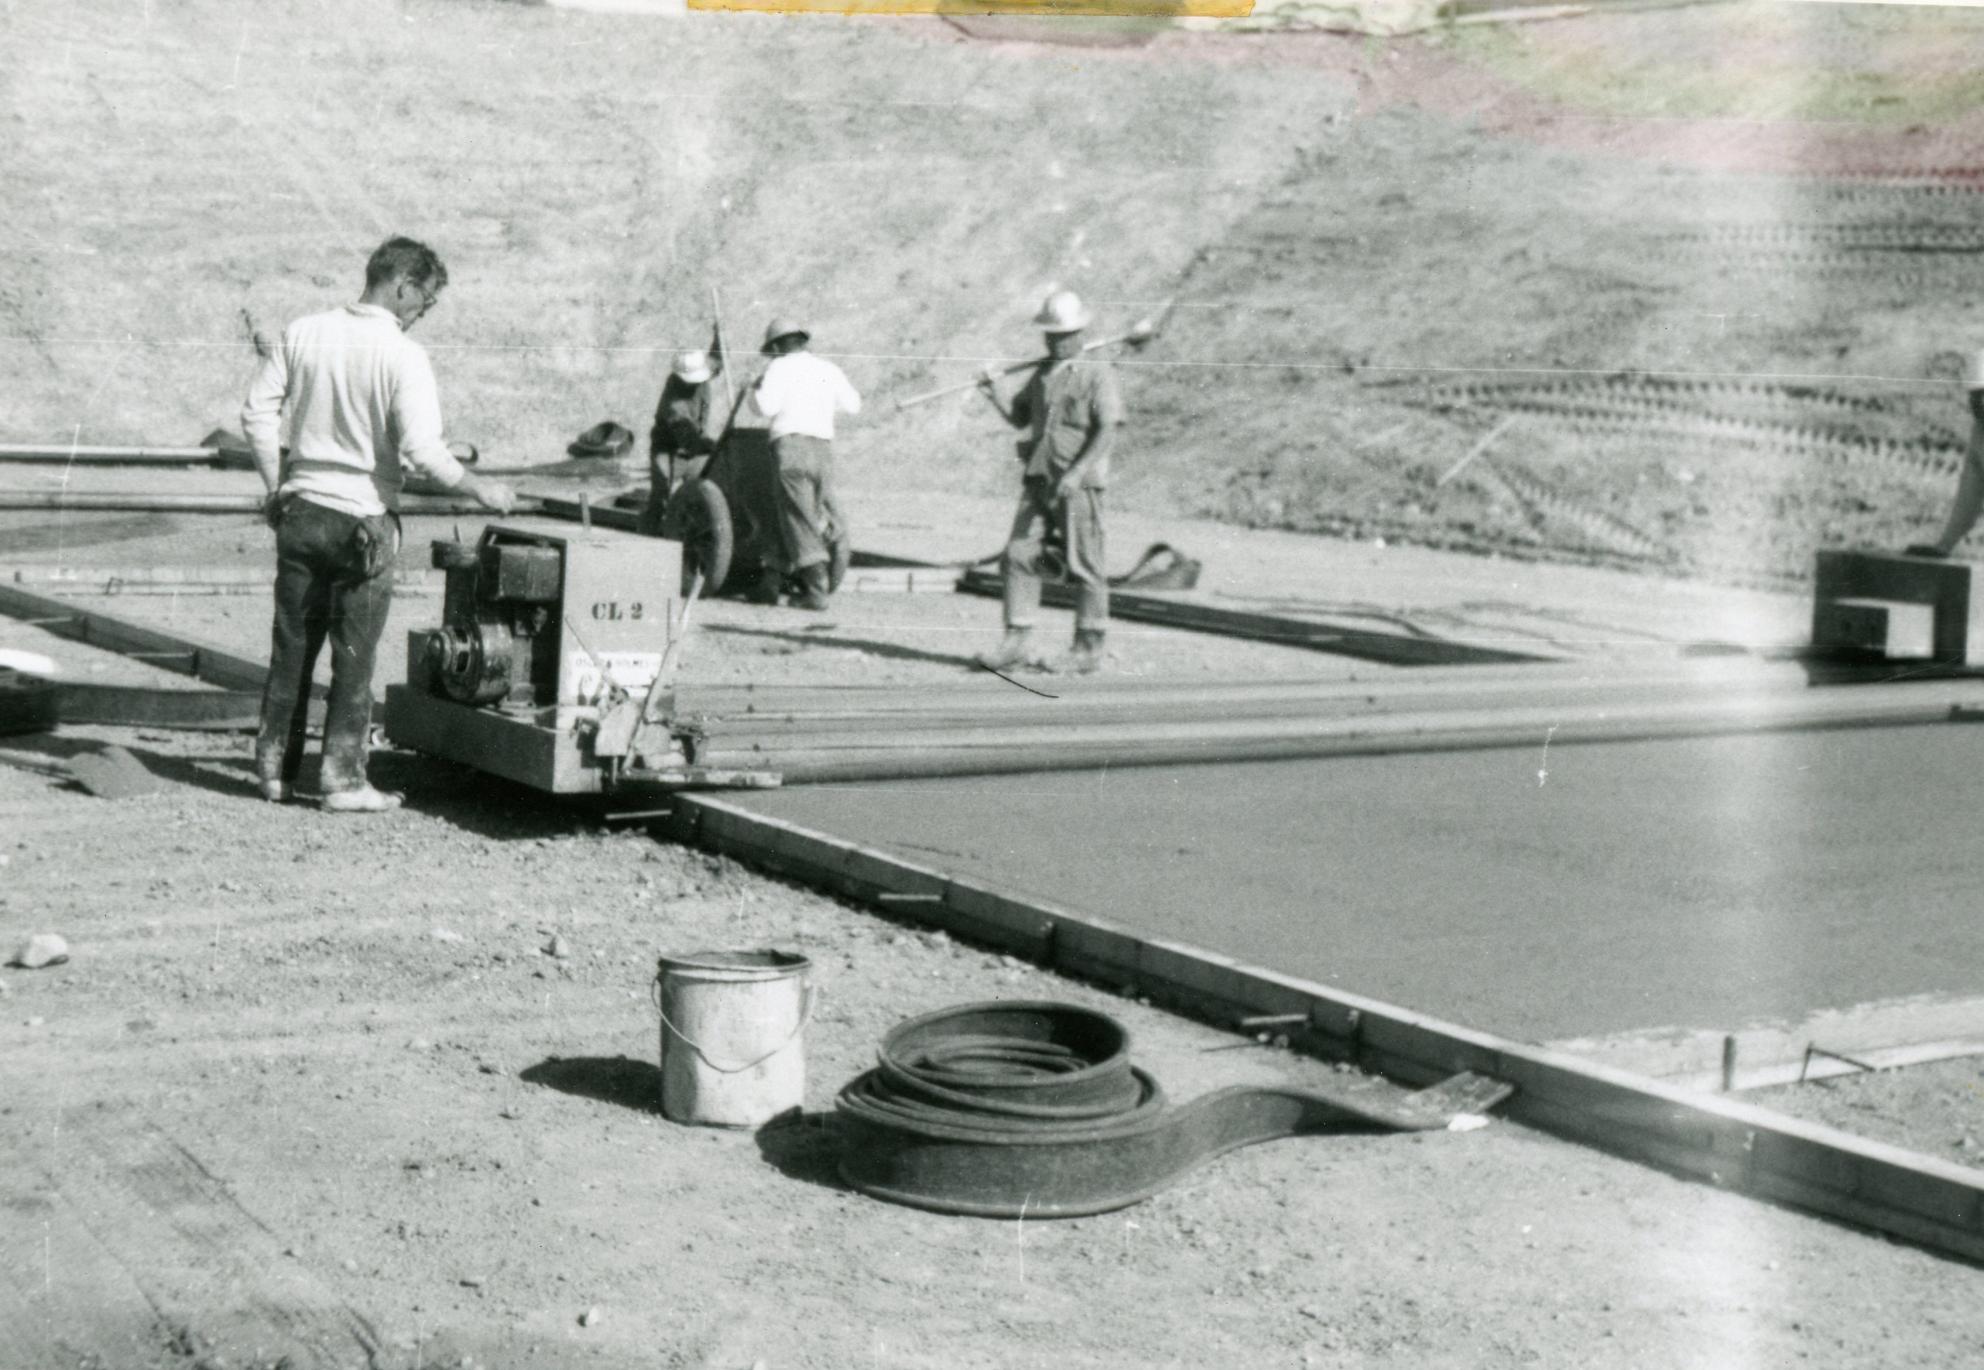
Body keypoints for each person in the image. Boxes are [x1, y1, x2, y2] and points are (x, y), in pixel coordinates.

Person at [242, 235, 516, 813]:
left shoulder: (304, 330)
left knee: (292, 646)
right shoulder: (403, 356)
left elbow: (256, 414)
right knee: (354, 653)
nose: (423, 315)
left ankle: (273, 772)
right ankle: (341, 780)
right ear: (404, 286)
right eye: (427, 301)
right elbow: (421, 450)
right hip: (362, 522)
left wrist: (276, 486)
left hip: (300, 511)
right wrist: (478, 487)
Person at [975, 289, 1125, 675]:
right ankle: (1016, 641)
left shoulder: (1098, 373)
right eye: (1050, 335)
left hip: (1078, 483)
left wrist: (1076, 473)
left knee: (1085, 562)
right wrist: (994, 392)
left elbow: (1108, 428)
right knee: (1018, 554)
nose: (1054, 342)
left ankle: (1088, 647)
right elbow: (1019, 419)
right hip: (1039, 478)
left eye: (1062, 336)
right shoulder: (1042, 374)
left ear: (1080, 334)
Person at [750, 317, 860, 611]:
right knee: (789, 511)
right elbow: (853, 404)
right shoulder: (828, 369)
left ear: (775, 346)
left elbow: (765, 407)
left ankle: (816, 589)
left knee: (797, 518)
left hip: (791, 449)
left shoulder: (778, 368)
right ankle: (769, 584)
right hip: (822, 451)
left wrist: (755, 390)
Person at [637, 345, 722, 537]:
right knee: (662, 497)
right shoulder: (674, 404)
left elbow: (717, 361)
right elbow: (688, 438)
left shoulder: (703, 372)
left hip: (694, 446)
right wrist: (710, 446)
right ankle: (649, 536)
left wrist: (718, 338)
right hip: (668, 449)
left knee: (698, 495)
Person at [1907, 351, 1984, 558]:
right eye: (1977, 397)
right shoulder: (1980, 433)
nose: (1982, 404)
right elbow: (1970, 494)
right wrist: (1944, 546)